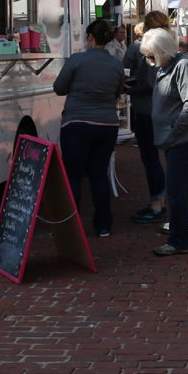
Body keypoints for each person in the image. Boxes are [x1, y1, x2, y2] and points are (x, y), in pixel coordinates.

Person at [141, 28, 188, 255]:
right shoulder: (167, 66)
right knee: (183, 183)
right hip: (175, 137)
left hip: (183, 138)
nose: (149, 61)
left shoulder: (182, 66)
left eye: (151, 56)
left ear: (162, 51)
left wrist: (173, 131)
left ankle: (178, 239)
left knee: (175, 187)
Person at [53, 19, 126, 237]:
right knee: (98, 175)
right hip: (106, 124)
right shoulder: (116, 64)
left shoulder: (77, 60)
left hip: (77, 123)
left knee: (74, 176)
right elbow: (118, 91)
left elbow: (59, 88)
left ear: (90, 37)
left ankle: (71, 227)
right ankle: (103, 225)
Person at [122, 11, 171, 224]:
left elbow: (150, 84)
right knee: (163, 159)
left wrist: (128, 89)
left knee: (151, 160)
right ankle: (160, 202)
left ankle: (157, 205)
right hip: (163, 110)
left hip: (148, 111)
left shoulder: (150, 49)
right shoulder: (168, 44)